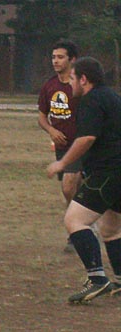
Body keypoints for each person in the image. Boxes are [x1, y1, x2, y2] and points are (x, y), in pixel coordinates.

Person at [47, 56, 121, 303]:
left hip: (106, 172)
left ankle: (97, 279)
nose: (70, 84)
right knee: (111, 228)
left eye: (72, 79)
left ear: (84, 79)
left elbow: (86, 138)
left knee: (74, 220)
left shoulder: (91, 100)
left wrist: (63, 163)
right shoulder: (111, 96)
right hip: (117, 171)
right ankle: (119, 281)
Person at [38, 40, 82, 253]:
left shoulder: (80, 85)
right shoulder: (49, 86)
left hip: (81, 144)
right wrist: (51, 131)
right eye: (53, 57)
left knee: (69, 186)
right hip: (62, 147)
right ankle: (81, 225)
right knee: (71, 190)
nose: (55, 61)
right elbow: (41, 117)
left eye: (60, 57)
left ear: (72, 60)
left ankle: (76, 232)